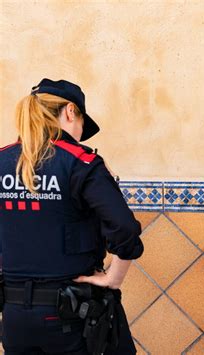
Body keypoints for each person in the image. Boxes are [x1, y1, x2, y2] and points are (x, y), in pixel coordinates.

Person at [0, 78, 144, 354]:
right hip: (72, 317)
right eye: (81, 125)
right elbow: (124, 227)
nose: (79, 135)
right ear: (69, 111)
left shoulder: (3, 161)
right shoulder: (81, 163)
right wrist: (113, 278)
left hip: (15, 320)